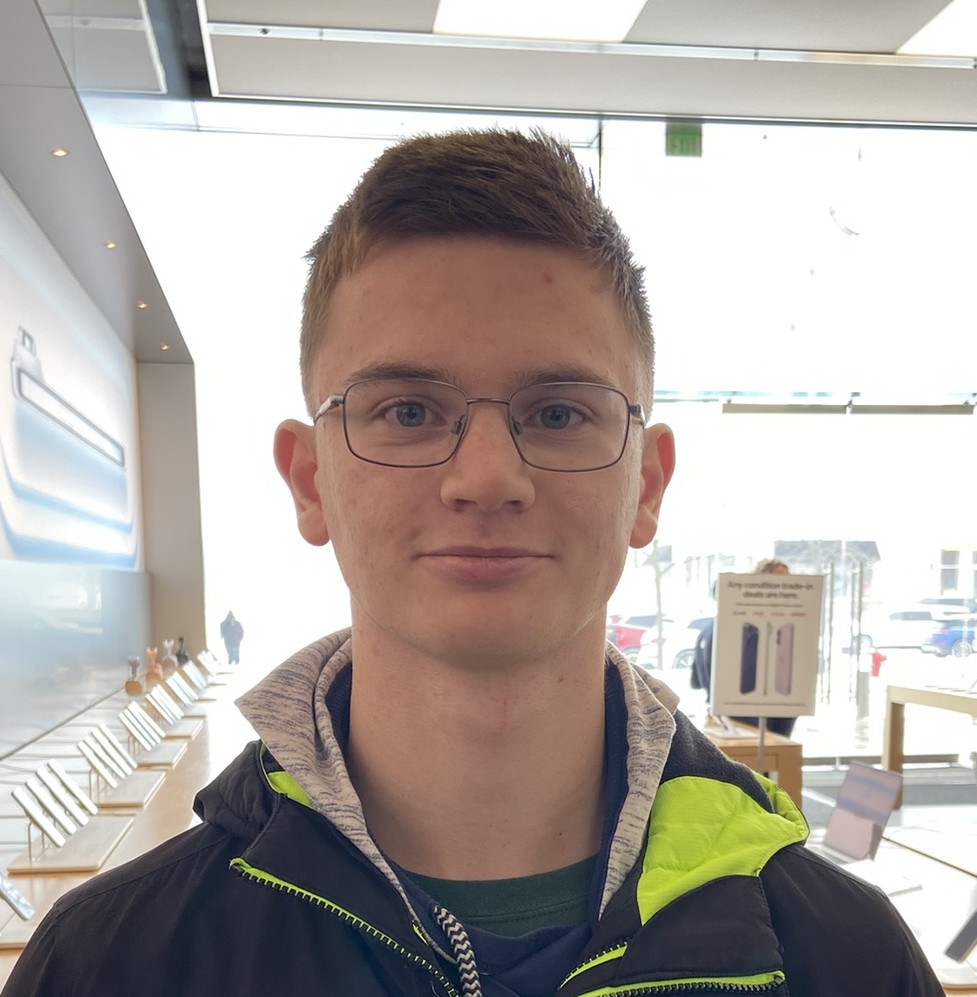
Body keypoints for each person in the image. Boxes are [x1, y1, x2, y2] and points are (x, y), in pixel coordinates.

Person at [2, 130, 941, 997]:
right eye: (407, 411)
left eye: (558, 412)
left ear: (646, 485)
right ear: (310, 481)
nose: (487, 476)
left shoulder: (846, 960)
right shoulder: (108, 965)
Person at [691, 558, 799, 736]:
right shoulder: (755, 632)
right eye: (779, 585)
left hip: (724, 721)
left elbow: (695, 681)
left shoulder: (708, 629)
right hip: (752, 724)